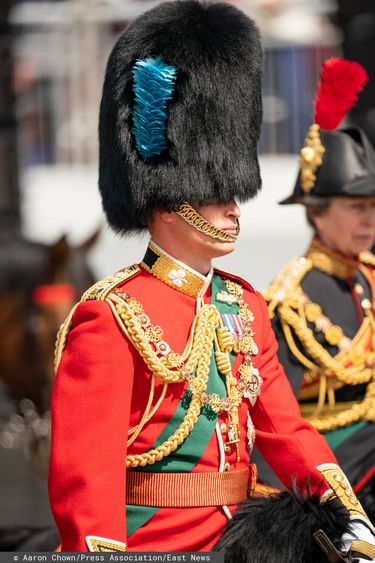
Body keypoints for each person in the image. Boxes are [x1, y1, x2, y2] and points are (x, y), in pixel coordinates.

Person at [48, 4, 375, 560]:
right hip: (156, 544)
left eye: (233, 192)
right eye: (214, 193)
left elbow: (285, 430)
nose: (233, 209)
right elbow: (86, 476)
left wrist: (345, 510)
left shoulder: (242, 302)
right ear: (168, 201)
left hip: (244, 537)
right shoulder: (111, 314)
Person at [259, 58, 375, 525]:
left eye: (372, 205)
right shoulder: (293, 300)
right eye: (355, 206)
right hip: (338, 472)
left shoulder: (370, 275)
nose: (368, 218)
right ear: (317, 211)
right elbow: (272, 420)